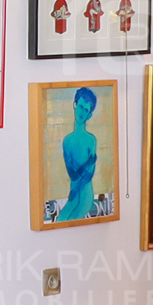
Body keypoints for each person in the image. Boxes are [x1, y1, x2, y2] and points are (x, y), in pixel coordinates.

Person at [56, 86, 101, 222]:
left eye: (86, 110)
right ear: (75, 105)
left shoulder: (91, 140)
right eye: (81, 107)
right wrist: (88, 163)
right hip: (74, 193)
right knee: (60, 221)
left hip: (85, 195)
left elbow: (89, 175)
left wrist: (87, 166)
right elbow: (73, 174)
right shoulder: (67, 141)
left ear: (89, 115)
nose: (82, 112)